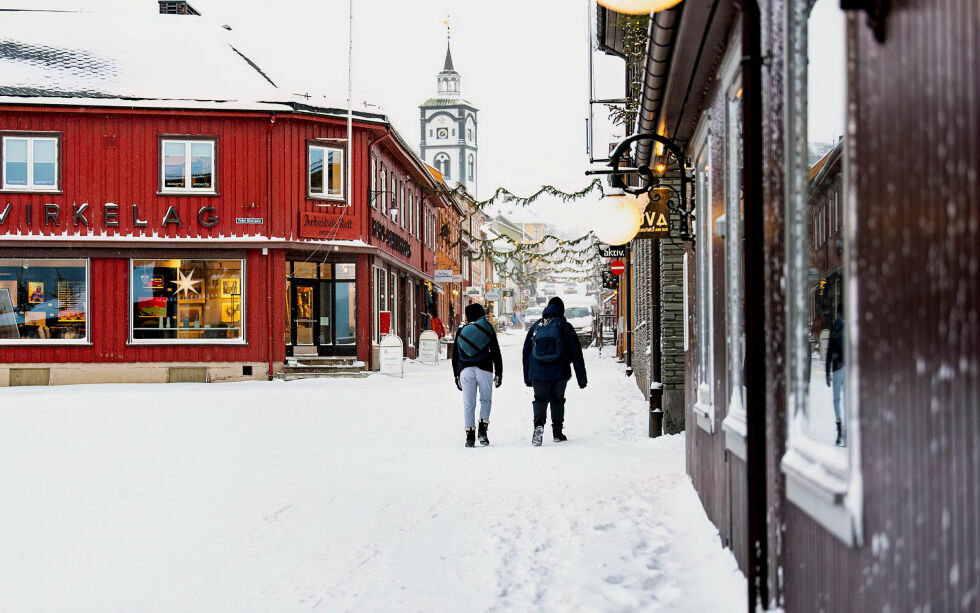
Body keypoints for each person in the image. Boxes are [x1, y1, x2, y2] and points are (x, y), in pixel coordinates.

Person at [522, 296, 588, 446]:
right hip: (560, 372)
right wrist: (581, 379)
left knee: (540, 399)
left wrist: (527, 376)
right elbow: (576, 353)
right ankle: (557, 432)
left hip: (538, 373)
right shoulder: (565, 327)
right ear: (561, 310)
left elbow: (526, 352)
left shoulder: (537, 326)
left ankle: (538, 425)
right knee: (557, 400)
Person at [452, 303, 503, 447]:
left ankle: (469, 436)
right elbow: (495, 352)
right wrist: (499, 372)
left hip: (465, 370)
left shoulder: (462, 330)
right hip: (485, 368)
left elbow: (455, 355)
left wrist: (456, 375)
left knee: (469, 403)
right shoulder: (487, 328)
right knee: (485, 400)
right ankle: (483, 431)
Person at [825, 302, 845, 446]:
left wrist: (827, 371)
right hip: (849, 366)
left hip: (837, 367)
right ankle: (848, 432)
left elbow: (829, 352)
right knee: (848, 399)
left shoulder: (835, 327)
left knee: (836, 399)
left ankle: (839, 430)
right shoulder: (851, 326)